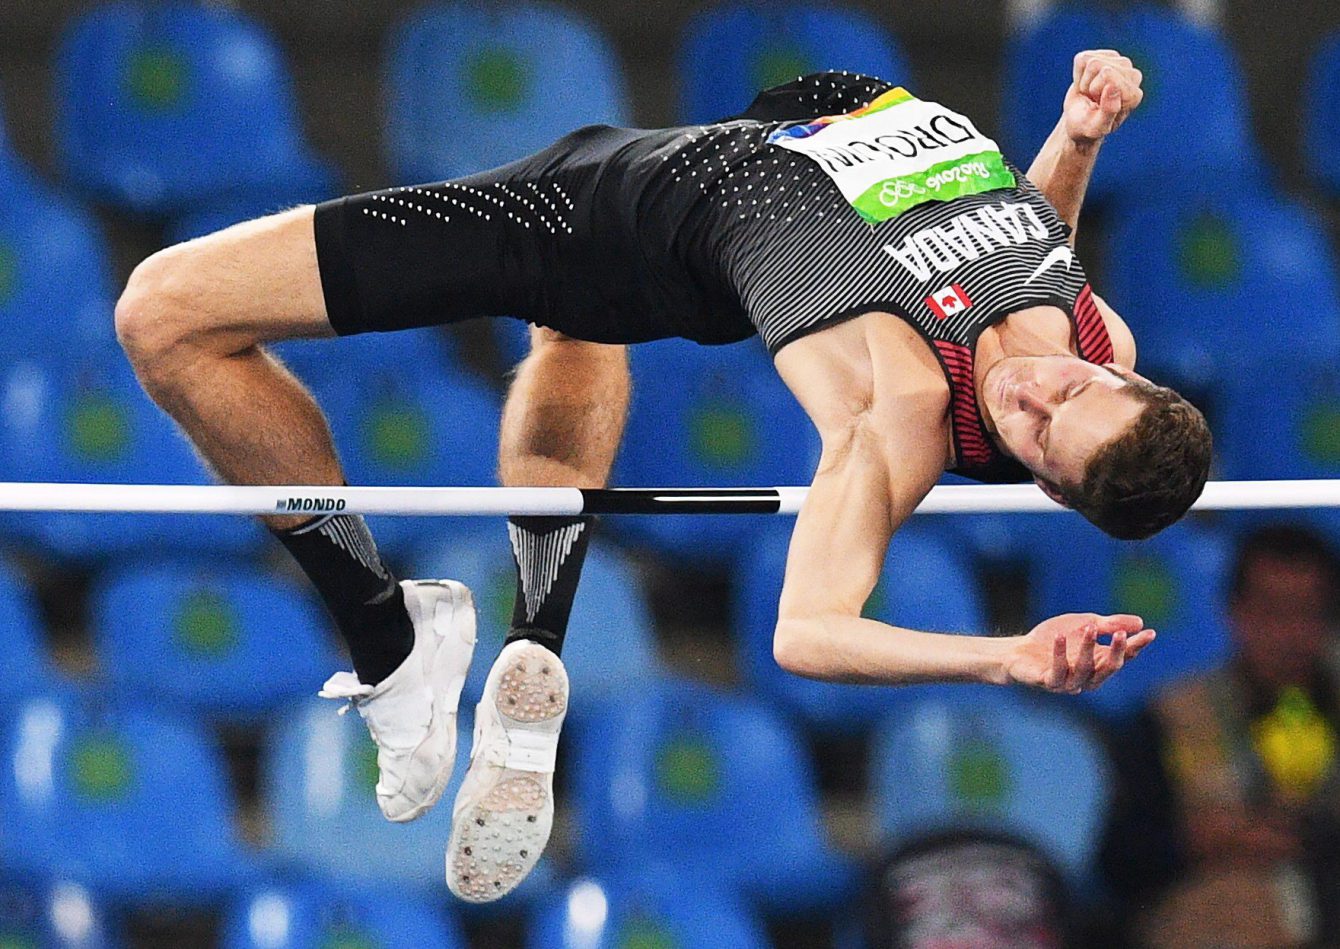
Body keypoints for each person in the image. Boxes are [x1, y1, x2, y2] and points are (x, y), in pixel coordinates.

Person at [112, 49, 1209, 901]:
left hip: (610, 211)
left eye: (1033, 437)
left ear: (1042, 486)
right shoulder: (1088, 330)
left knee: (163, 315)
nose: (1029, 394)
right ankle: (529, 651)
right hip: (795, 127)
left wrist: (1003, 658)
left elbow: (808, 632)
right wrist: (1075, 139)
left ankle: (386, 635)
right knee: (570, 333)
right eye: (1065, 390)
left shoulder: (898, 410)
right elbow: (1037, 243)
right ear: (1122, 371)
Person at [1139, 525, 1340, 947]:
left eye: (1308, 611)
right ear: (1235, 611)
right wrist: (1193, 841)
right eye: (1272, 611)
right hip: (1223, 911)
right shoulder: (1171, 715)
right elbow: (1125, 856)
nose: (1290, 633)